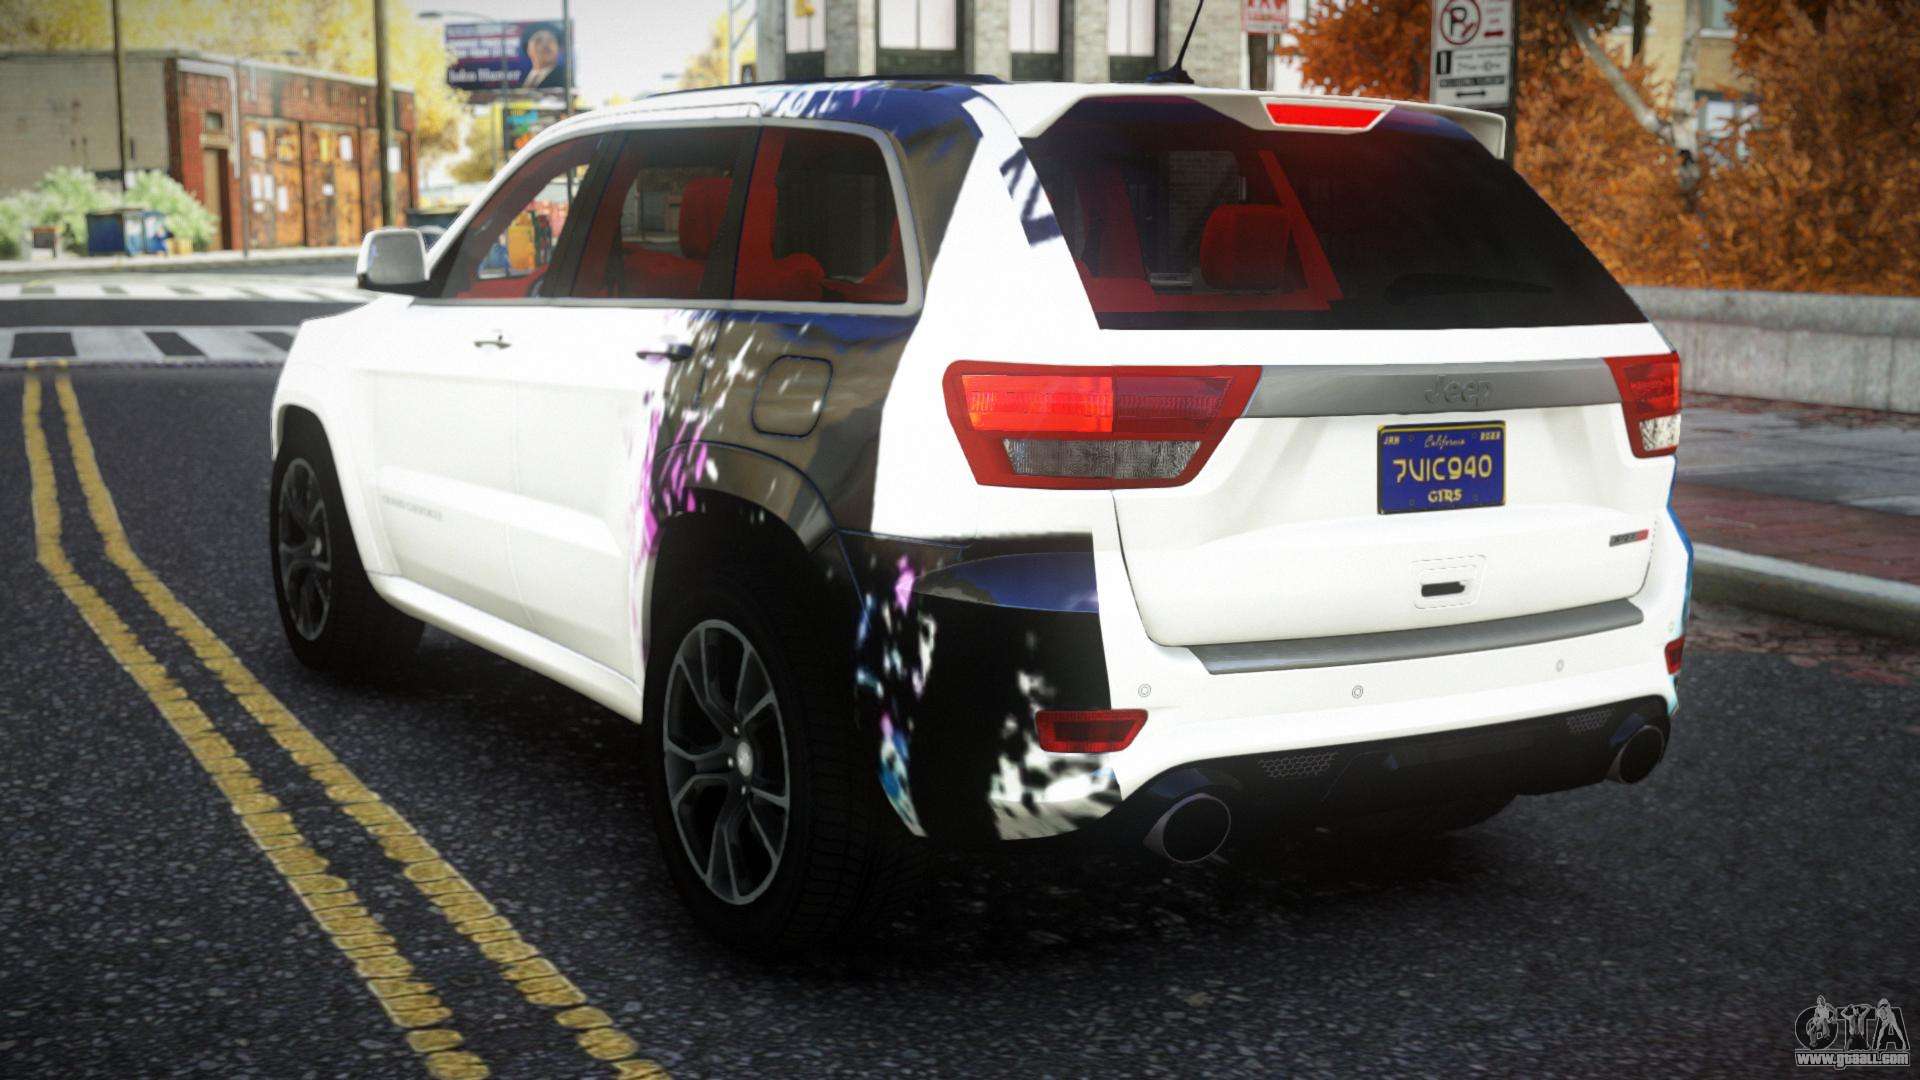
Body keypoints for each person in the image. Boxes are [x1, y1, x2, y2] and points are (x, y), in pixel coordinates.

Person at [520, 23, 566, 90]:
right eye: (539, 40)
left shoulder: (565, 76)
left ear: (558, 48)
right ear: (528, 49)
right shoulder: (521, 77)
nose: (545, 45)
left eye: (550, 40)